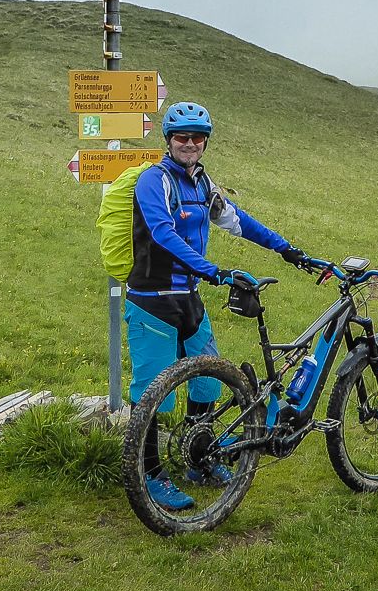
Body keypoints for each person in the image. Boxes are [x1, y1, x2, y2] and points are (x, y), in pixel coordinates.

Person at [125, 101, 303, 511]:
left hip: (189, 300)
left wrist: (286, 249)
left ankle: (197, 459)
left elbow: (238, 221)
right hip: (152, 301)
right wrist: (216, 272)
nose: (190, 144)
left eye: (197, 137)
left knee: (207, 380)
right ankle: (150, 475)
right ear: (169, 140)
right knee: (152, 394)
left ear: (205, 142)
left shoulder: (203, 186)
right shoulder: (155, 182)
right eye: (182, 137)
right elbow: (164, 234)